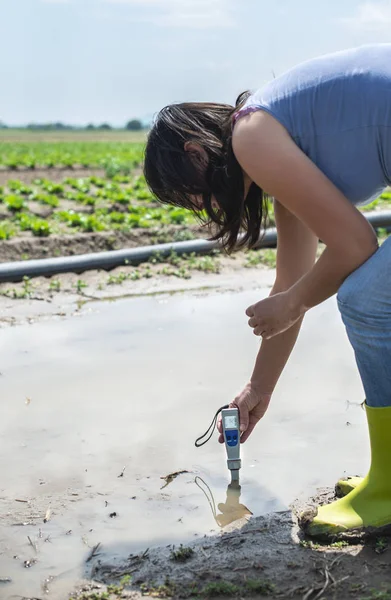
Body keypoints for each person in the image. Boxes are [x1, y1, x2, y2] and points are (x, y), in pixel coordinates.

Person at [143, 43, 391, 539]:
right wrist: (259, 389)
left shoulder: (252, 135)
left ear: (195, 153)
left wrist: (295, 301)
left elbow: (356, 245)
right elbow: (290, 281)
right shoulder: (279, 137)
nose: (201, 206)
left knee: (367, 299)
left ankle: (388, 487)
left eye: (189, 194)